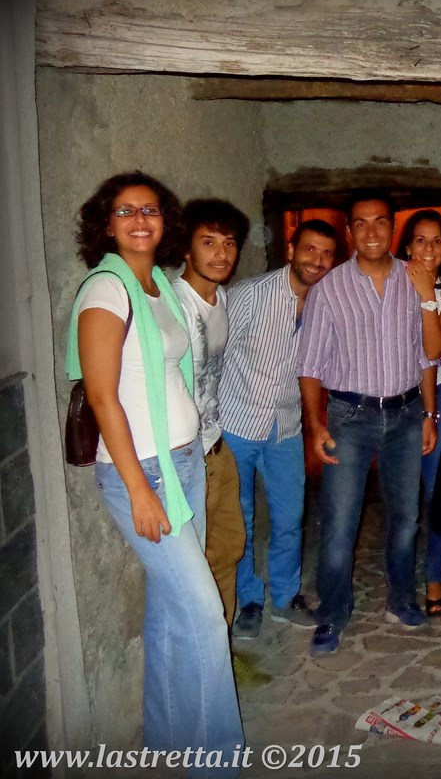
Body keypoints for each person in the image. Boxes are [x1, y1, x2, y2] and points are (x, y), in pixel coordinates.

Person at [66, 172, 243, 775]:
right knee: (204, 617)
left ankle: (168, 737)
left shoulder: (158, 287)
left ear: (165, 221)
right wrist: (140, 491)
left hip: (184, 461)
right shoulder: (106, 289)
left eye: (150, 210)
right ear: (106, 223)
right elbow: (102, 396)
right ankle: (216, 762)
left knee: (171, 609)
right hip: (144, 473)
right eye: (125, 211)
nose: (139, 219)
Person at [297, 191, 441, 655]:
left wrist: (430, 414)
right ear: (349, 232)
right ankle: (333, 612)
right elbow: (310, 365)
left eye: (380, 222)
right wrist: (316, 425)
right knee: (340, 525)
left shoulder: (414, 278)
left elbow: (428, 357)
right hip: (349, 417)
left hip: (406, 415)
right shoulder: (329, 289)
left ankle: (401, 599)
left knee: (406, 519)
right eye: (361, 223)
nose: (372, 231)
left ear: (393, 227)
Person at [220, 219, 339, 639]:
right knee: (241, 519)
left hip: (286, 426)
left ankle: (286, 598)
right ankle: (249, 600)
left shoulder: (327, 303)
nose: (317, 260)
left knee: (290, 516)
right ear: (291, 250)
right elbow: (215, 354)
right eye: (309, 249)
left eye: (326, 254)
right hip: (237, 422)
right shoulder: (249, 295)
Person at [171, 198, 249, 628]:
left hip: (216, 446)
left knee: (229, 547)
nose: (222, 253)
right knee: (195, 563)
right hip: (186, 457)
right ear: (186, 248)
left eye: (229, 242)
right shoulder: (174, 304)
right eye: (209, 242)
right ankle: (202, 650)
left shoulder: (221, 300)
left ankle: (222, 641)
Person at [396, 209, 441, 617]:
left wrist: (427, 296)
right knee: (404, 495)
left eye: (437, 241)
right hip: (400, 395)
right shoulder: (389, 282)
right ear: (407, 246)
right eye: (420, 240)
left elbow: (435, 349)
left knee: (440, 490)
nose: (428, 249)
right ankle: (401, 580)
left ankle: (434, 574)